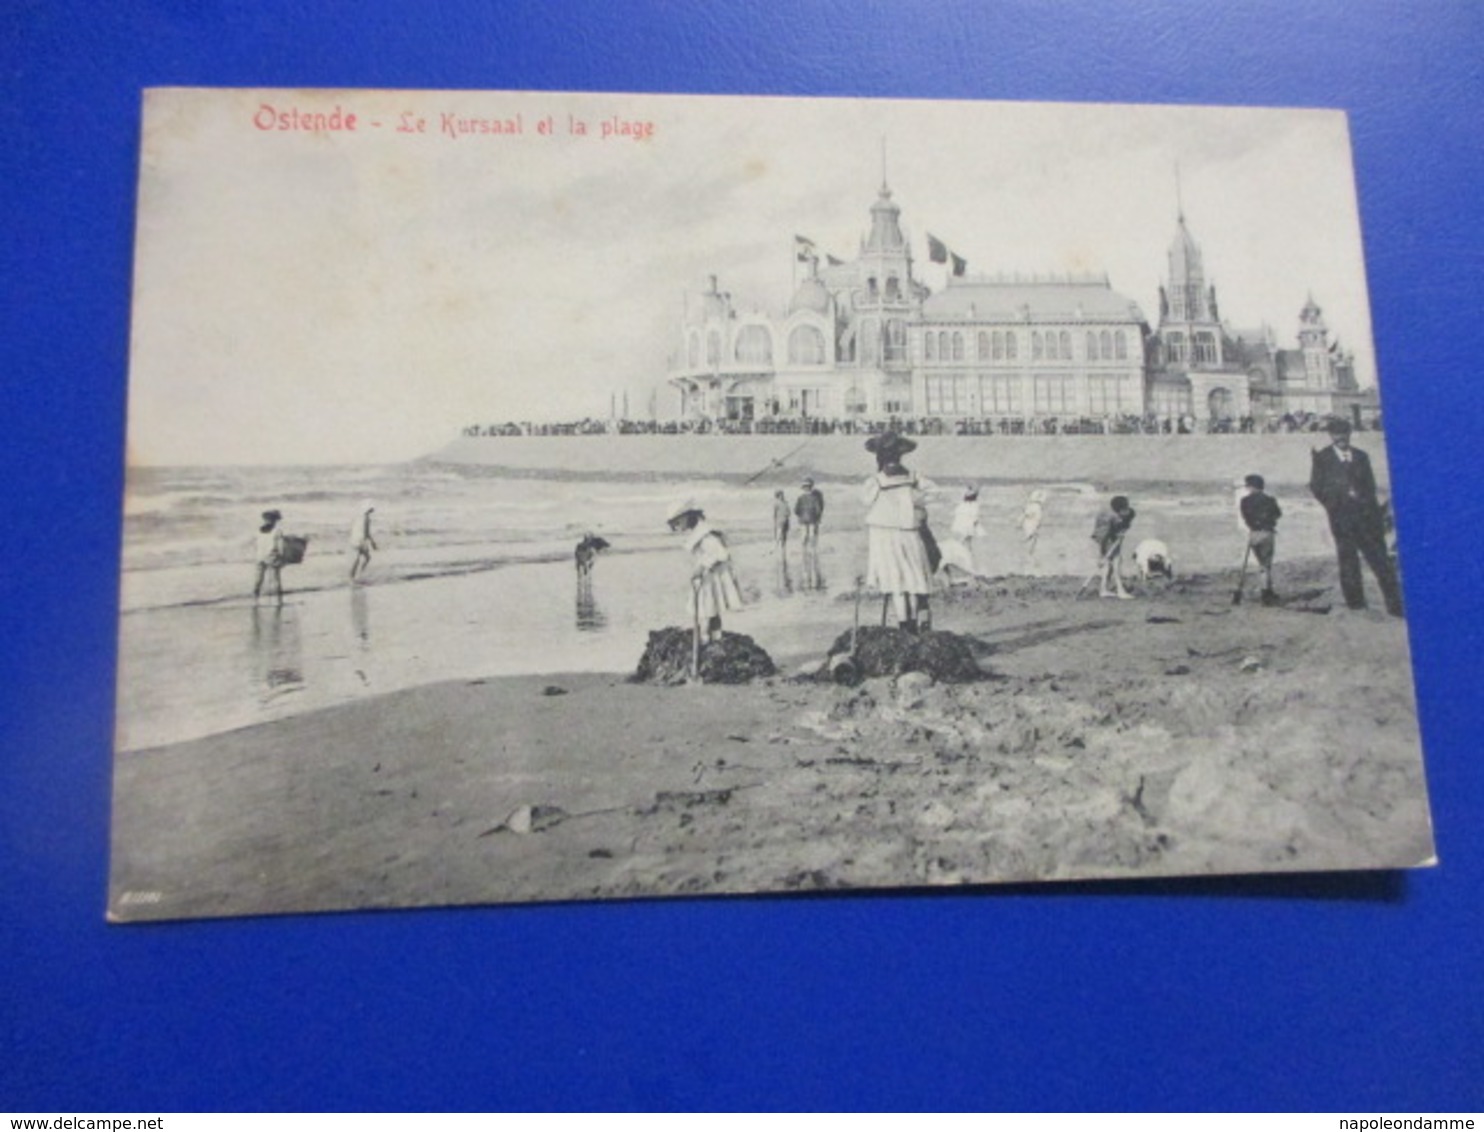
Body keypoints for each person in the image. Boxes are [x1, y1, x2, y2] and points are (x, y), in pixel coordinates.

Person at [1309, 418, 1404, 615]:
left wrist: (1364, 501)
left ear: (1350, 434)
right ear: (1331, 436)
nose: (1341, 438)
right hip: (1341, 519)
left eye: (1344, 433)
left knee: (1380, 561)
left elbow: (1370, 486)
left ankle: (1395, 606)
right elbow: (1317, 487)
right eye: (1336, 434)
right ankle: (1356, 604)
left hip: (1367, 518)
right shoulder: (1322, 458)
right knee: (1348, 561)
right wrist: (1336, 504)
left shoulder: (1362, 456)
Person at [863, 431, 934, 631]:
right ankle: (913, 623)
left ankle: (905, 624)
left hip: (883, 535)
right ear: (899, 455)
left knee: (895, 582)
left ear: (880, 457)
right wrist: (916, 506)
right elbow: (933, 493)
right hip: (909, 532)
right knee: (913, 580)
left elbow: (865, 500)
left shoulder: (875, 481)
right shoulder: (913, 477)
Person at [667, 500, 743, 644]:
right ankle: (716, 639)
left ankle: (705, 642)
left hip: (710, 579)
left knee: (706, 613)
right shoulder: (699, 531)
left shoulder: (706, 534)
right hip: (707, 578)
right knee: (712, 612)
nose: (677, 528)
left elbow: (722, 554)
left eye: (677, 523)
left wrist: (702, 567)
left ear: (686, 517)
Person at [1239, 473, 1283, 605]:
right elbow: (1278, 514)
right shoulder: (1270, 500)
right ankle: (1266, 593)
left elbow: (1245, 517)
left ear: (1251, 486)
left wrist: (1253, 524)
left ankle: (1267, 590)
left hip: (1254, 534)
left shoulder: (1244, 501)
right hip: (1267, 533)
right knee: (1266, 565)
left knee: (1261, 564)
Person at [1091, 496, 1136, 599]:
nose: (1126, 511)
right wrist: (1102, 555)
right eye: (1124, 510)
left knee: (1110, 564)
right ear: (1117, 510)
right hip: (1106, 538)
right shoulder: (1108, 517)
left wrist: (1124, 528)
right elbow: (1102, 537)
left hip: (1112, 535)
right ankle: (1120, 591)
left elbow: (1129, 517)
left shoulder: (1123, 514)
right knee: (1115, 563)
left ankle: (1103, 590)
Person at [253, 509, 286, 605]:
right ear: (275, 520)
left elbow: (256, 544)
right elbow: (280, 546)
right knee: (275, 577)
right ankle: (279, 598)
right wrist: (282, 557)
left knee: (259, 578)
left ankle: (256, 594)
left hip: (259, 556)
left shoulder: (259, 530)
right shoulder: (277, 531)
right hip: (271, 555)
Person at [349, 502, 378, 581]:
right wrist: (372, 543)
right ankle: (358, 575)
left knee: (359, 558)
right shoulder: (367, 518)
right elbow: (366, 532)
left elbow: (354, 528)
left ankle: (354, 575)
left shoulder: (359, 517)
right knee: (366, 558)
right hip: (360, 540)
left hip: (354, 538)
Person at [794, 477, 825, 551]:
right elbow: (818, 509)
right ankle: (812, 550)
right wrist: (818, 518)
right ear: (811, 487)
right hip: (812, 519)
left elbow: (796, 510)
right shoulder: (815, 498)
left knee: (804, 535)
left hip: (802, 519)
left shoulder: (800, 498)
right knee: (812, 535)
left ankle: (804, 550)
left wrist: (800, 516)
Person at [1019, 489, 1046, 558]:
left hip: (1031, 523)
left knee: (1030, 536)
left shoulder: (1034, 506)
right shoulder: (1036, 507)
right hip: (1031, 523)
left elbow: (1027, 514)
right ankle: (1030, 551)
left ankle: (1030, 551)